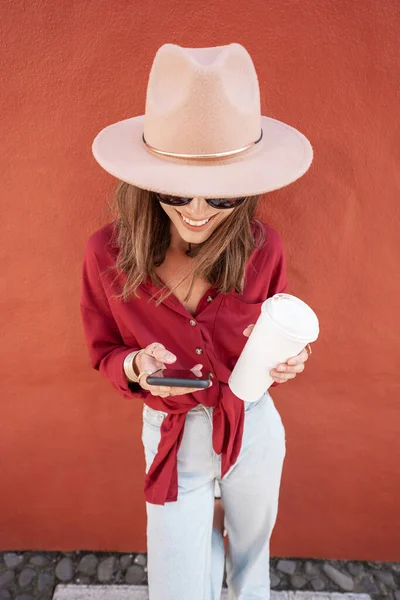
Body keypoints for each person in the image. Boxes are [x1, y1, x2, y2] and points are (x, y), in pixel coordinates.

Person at [81, 42, 313, 600]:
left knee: (252, 564)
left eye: (223, 199)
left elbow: (274, 326)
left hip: (251, 425)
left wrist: (288, 359)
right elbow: (104, 351)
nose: (197, 212)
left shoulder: (264, 249)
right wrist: (135, 365)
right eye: (177, 191)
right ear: (147, 179)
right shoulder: (105, 254)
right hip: (170, 432)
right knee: (177, 586)